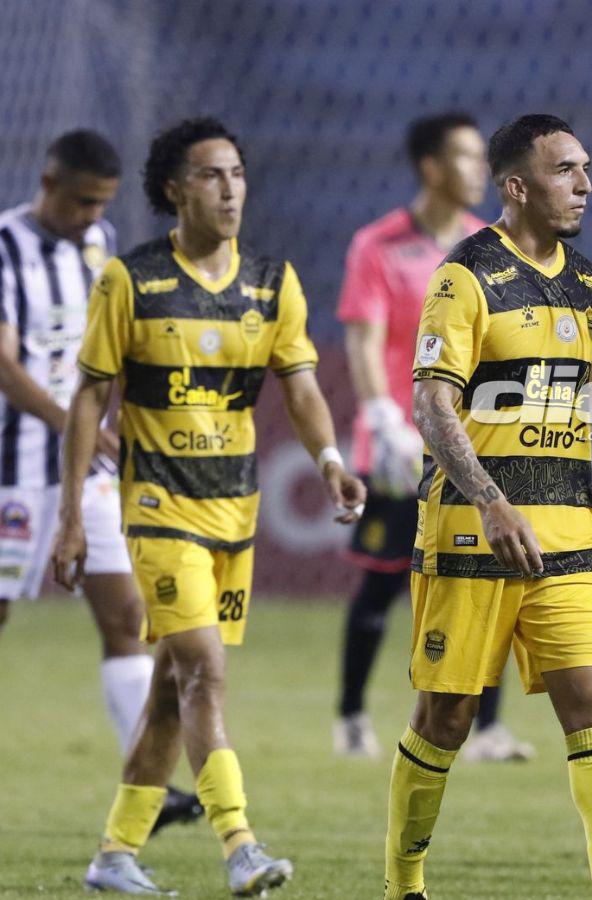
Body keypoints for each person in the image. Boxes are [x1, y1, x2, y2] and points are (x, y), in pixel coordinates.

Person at [51, 117, 366, 895]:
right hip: (159, 509)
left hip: (236, 511)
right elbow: (89, 398)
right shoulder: (131, 282)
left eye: (237, 174)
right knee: (204, 671)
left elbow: (298, 388)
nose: (229, 190)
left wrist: (329, 460)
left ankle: (113, 855)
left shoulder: (272, 282)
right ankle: (241, 846)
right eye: (210, 176)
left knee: (170, 689)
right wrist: (69, 517)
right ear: (174, 190)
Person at [382, 114, 592, 900]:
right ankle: (404, 884)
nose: (585, 184)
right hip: (472, 534)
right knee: (447, 718)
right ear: (517, 186)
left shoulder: (588, 284)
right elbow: (432, 404)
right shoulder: (465, 277)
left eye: (587, 168)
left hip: (567, 535)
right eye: (566, 170)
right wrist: (491, 501)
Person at [0, 128, 202, 833]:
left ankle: (147, 793)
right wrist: (75, 422)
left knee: (125, 619)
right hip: (12, 471)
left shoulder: (99, 242)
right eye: (82, 201)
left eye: (103, 204)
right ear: (49, 183)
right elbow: (3, 363)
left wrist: (111, 414)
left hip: (84, 461)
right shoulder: (3, 246)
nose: (93, 215)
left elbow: (109, 341)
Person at [335, 112, 531, 763]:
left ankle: (488, 728)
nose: (481, 170)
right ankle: (352, 717)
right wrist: (382, 416)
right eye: (467, 157)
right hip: (396, 445)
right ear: (430, 166)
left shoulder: (487, 243)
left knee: (489, 576)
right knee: (384, 580)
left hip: (470, 444)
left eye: (483, 158)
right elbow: (363, 340)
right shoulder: (379, 245)